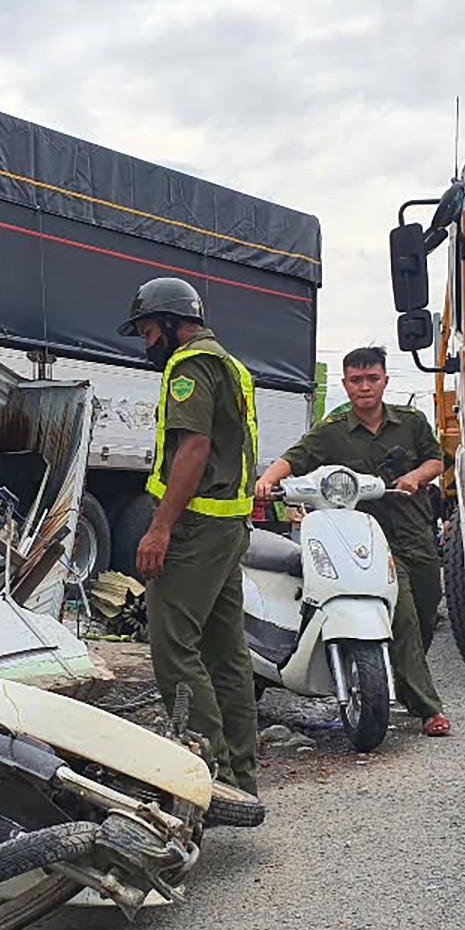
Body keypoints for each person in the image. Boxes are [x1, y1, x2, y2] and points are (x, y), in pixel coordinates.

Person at [255, 347, 451, 736]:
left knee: (427, 613)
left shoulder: (410, 422)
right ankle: (429, 709)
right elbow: (296, 457)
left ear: (384, 380)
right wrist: (268, 481)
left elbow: (437, 461)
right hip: (366, 543)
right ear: (345, 384)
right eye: (357, 380)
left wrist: (416, 477)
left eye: (372, 378)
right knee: (404, 615)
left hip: (415, 533)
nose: (365, 387)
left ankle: (401, 679)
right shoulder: (333, 429)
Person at [120, 276, 261, 797]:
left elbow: (194, 449)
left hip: (197, 527)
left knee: (174, 649)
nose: (145, 343)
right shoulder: (229, 362)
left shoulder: (190, 365)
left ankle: (206, 773)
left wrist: (160, 528)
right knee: (226, 653)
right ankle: (240, 778)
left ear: (171, 323)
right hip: (228, 525)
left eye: (147, 330)